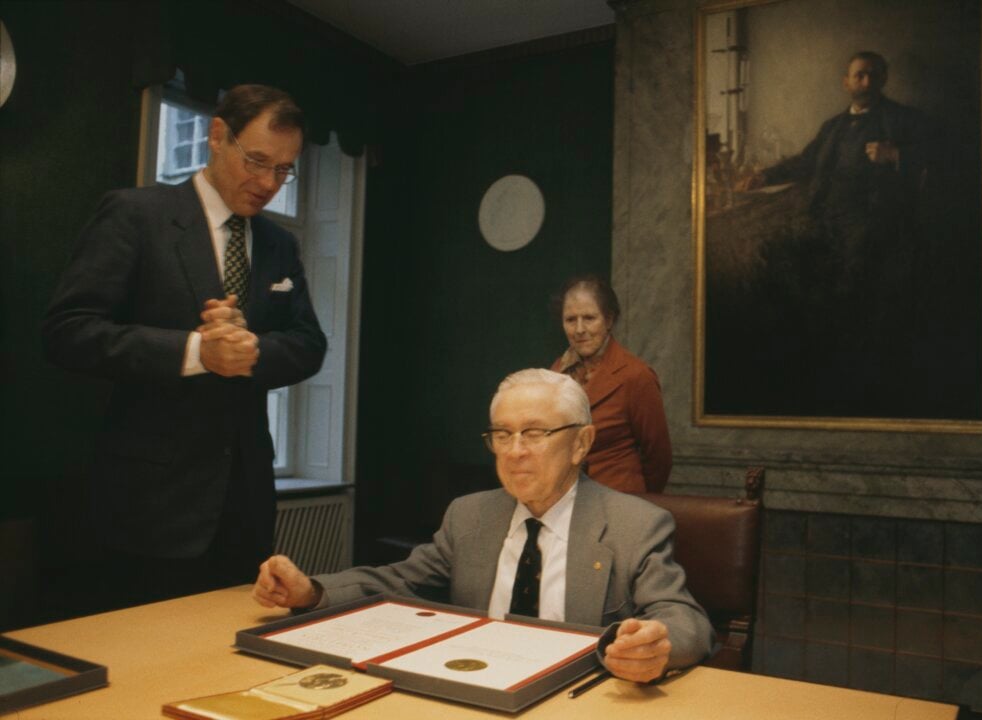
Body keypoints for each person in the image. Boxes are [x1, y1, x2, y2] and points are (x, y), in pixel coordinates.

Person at [42, 84, 327, 609]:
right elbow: (68, 331)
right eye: (257, 161)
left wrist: (251, 350)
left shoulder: (279, 244)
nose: (268, 183)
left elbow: (310, 344)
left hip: (245, 510)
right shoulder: (136, 215)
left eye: (283, 170)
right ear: (217, 136)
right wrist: (196, 353)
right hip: (147, 509)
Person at [253, 369, 714, 682]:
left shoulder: (635, 524)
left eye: (535, 433)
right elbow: (397, 580)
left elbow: (686, 619)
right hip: (477, 691)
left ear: (581, 444)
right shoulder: (470, 516)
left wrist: (658, 647)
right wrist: (311, 592)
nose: (514, 451)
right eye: (502, 434)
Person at [734, 51, 935, 413]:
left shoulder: (904, 120)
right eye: (859, 75)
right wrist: (764, 176)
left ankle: (855, 376)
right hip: (823, 216)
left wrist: (896, 156)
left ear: (884, 79)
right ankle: (804, 364)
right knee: (777, 262)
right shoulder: (833, 127)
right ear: (846, 82)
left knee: (852, 286)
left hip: (874, 220)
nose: (867, 82)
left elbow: (942, 159)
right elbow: (805, 162)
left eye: (874, 75)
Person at [549, 276, 672, 494]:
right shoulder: (556, 372)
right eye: (570, 320)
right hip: (566, 499)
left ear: (609, 320)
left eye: (589, 318)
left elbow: (659, 458)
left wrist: (639, 501)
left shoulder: (636, 375)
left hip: (618, 498)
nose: (579, 329)